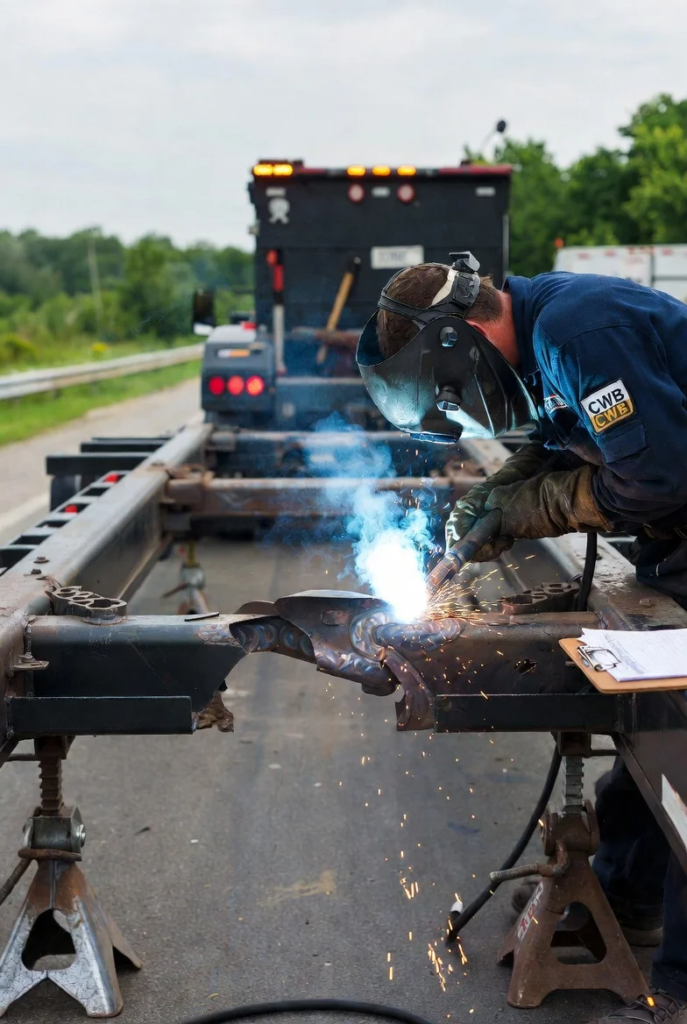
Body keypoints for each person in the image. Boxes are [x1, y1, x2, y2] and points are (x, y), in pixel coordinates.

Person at [356, 253, 687, 1024]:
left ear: (458, 342)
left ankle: (679, 980)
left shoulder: (576, 332)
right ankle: (629, 899)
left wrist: (534, 507)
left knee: (679, 741)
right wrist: (494, 501)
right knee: (655, 723)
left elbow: (660, 476)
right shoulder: (541, 338)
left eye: (449, 397)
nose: (460, 411)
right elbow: (559, 436)